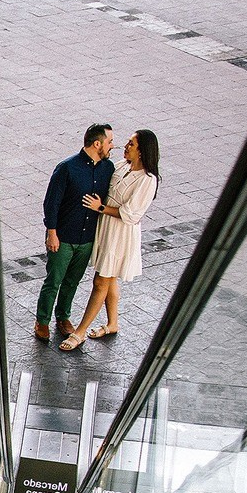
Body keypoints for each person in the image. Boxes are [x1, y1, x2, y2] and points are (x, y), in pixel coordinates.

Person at [61, 129, 161, 351]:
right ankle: (112, 323)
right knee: (110, 278)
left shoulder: (147, 180)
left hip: (120, 233)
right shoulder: (122, 165)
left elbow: (131, 214)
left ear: (142, 151)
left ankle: (80, 332)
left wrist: (101, 208)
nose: (125, 146)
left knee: (101, 281)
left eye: (131, 144)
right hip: (106, 227)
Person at [37, 124, 117, 342]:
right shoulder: (67, 168)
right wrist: (52, 233)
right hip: (63, 237)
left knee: (72, 281)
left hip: (87, 238)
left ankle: (63, 317)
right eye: (110, 141)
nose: (112, 146)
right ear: (97, 144)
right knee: (53, 281)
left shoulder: (108, 168)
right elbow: (51, 203)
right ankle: (42, 321)